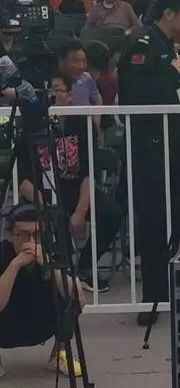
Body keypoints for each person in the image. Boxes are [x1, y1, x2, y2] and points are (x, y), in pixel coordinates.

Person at [117, 0, 180, 325]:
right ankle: (154, 298)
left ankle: (172, 289)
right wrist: (173, 72)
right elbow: (135, 92)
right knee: (154, 223)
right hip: (149, 148)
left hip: (172, 145)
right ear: (169, 14)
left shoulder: (166, 45)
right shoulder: (143, 42)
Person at [16, 73, 122, 290]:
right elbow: (23, 179)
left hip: (76, 188)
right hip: (43, 192)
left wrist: (80, 211)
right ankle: (61, 275)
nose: (53, 96)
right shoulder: (32, 125)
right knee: (54, 219)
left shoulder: (80, 122)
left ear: (70, 94)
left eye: (58, 90)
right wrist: (47, 205)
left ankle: (85, 267)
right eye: (49, 91)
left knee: (112, 213)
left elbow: (88, 172)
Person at [0, 204, 84, 377]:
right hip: (7, 323)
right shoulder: (3, 253)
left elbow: (78, 299)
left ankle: (59, 354)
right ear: (10, 236)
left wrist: (50, 267)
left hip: (41, 321)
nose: (30, 241)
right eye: (23, 235)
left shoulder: (54, 252)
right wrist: (15, 265)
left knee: (68, 298)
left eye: (37, 235)